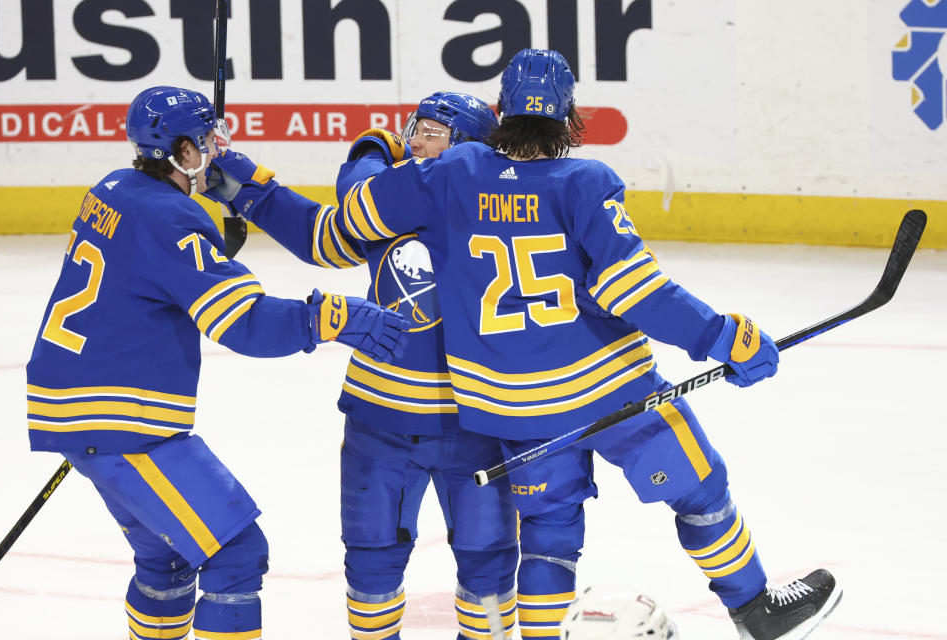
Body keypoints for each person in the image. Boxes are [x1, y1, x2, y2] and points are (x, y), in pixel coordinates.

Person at [208, 50, 843, 639]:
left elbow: (346, 219)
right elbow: (634, 288)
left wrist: (345, 159)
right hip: (611, 390)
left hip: (512, 409)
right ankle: (754, 608)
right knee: (700, 490)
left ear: (501, 114)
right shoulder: (587, 180)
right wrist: (722, 336)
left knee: (549, 533)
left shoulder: (446, 174)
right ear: (569, 116)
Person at [25, 85, 408, 640]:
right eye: (205, 140)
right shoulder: (173, 219)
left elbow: (148, 264)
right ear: (181, 152)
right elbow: (244, 322)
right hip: (123, 420)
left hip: (76, 401)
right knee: (236, 552)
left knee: (168, 560)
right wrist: (336, 317)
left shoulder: (112, 188)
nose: (217, 147)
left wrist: (210, 225)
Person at [205, 91, 521, 640]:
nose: (411, 139)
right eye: (410, 127)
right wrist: (232, 177)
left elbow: (346, 207)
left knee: (465, 567)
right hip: (456, 420)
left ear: (466, 148)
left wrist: (368, 149)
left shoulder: (397, 197)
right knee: (423, 566)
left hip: (432, 423)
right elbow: (317, 234)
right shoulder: (488, 208)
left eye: (428, 132)